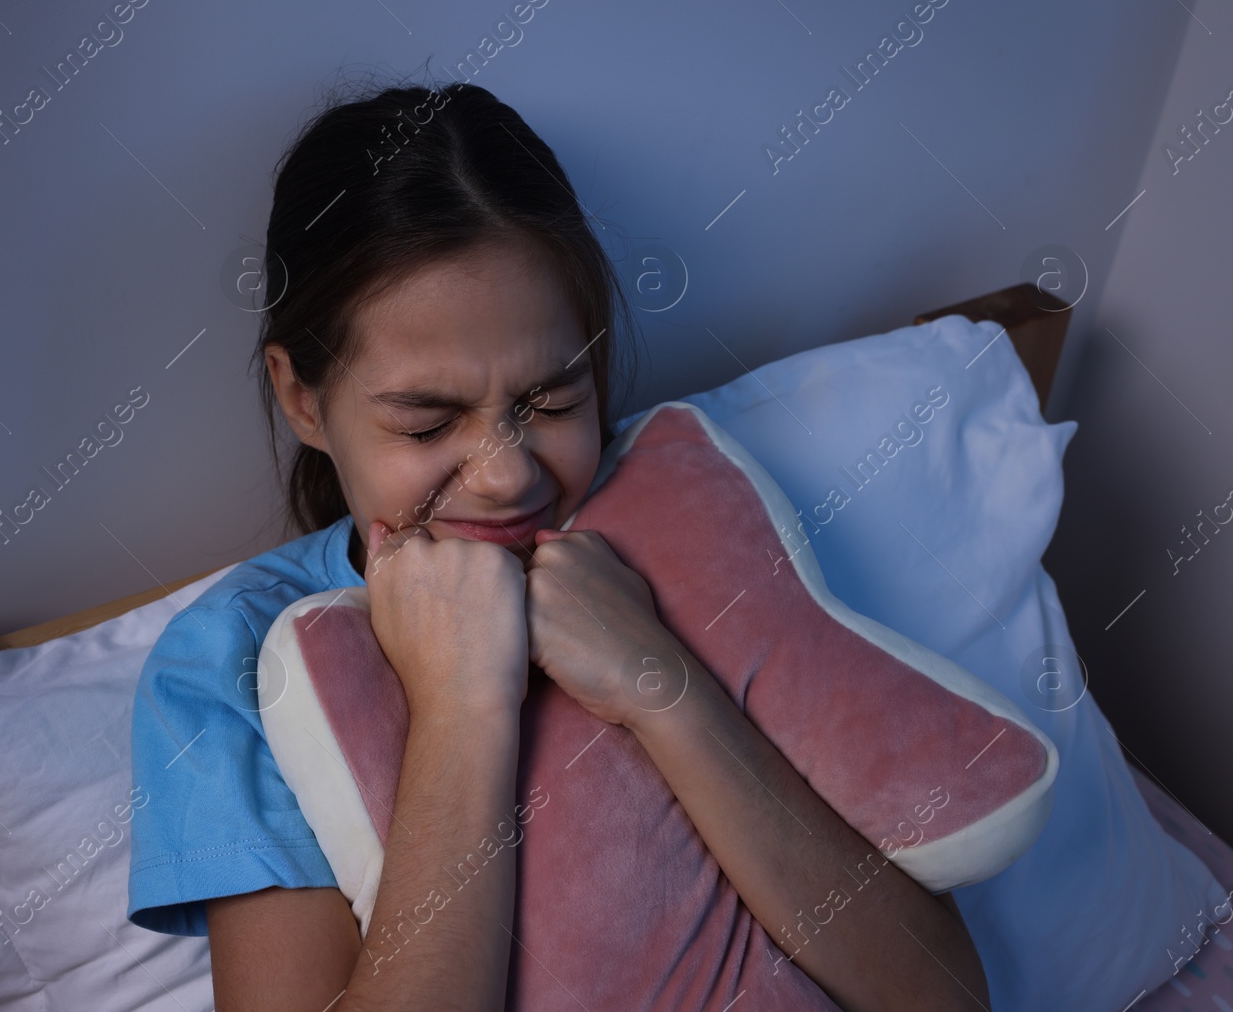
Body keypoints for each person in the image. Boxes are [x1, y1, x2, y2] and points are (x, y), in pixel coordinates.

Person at [127, 78, 991, 1011]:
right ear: (302, 398)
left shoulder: (687, 514)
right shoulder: (236, 664)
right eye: (427, 421)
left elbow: (943, 997)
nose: (506, 475)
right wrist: (460, 704)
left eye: (551, 400)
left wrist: (661, 680)